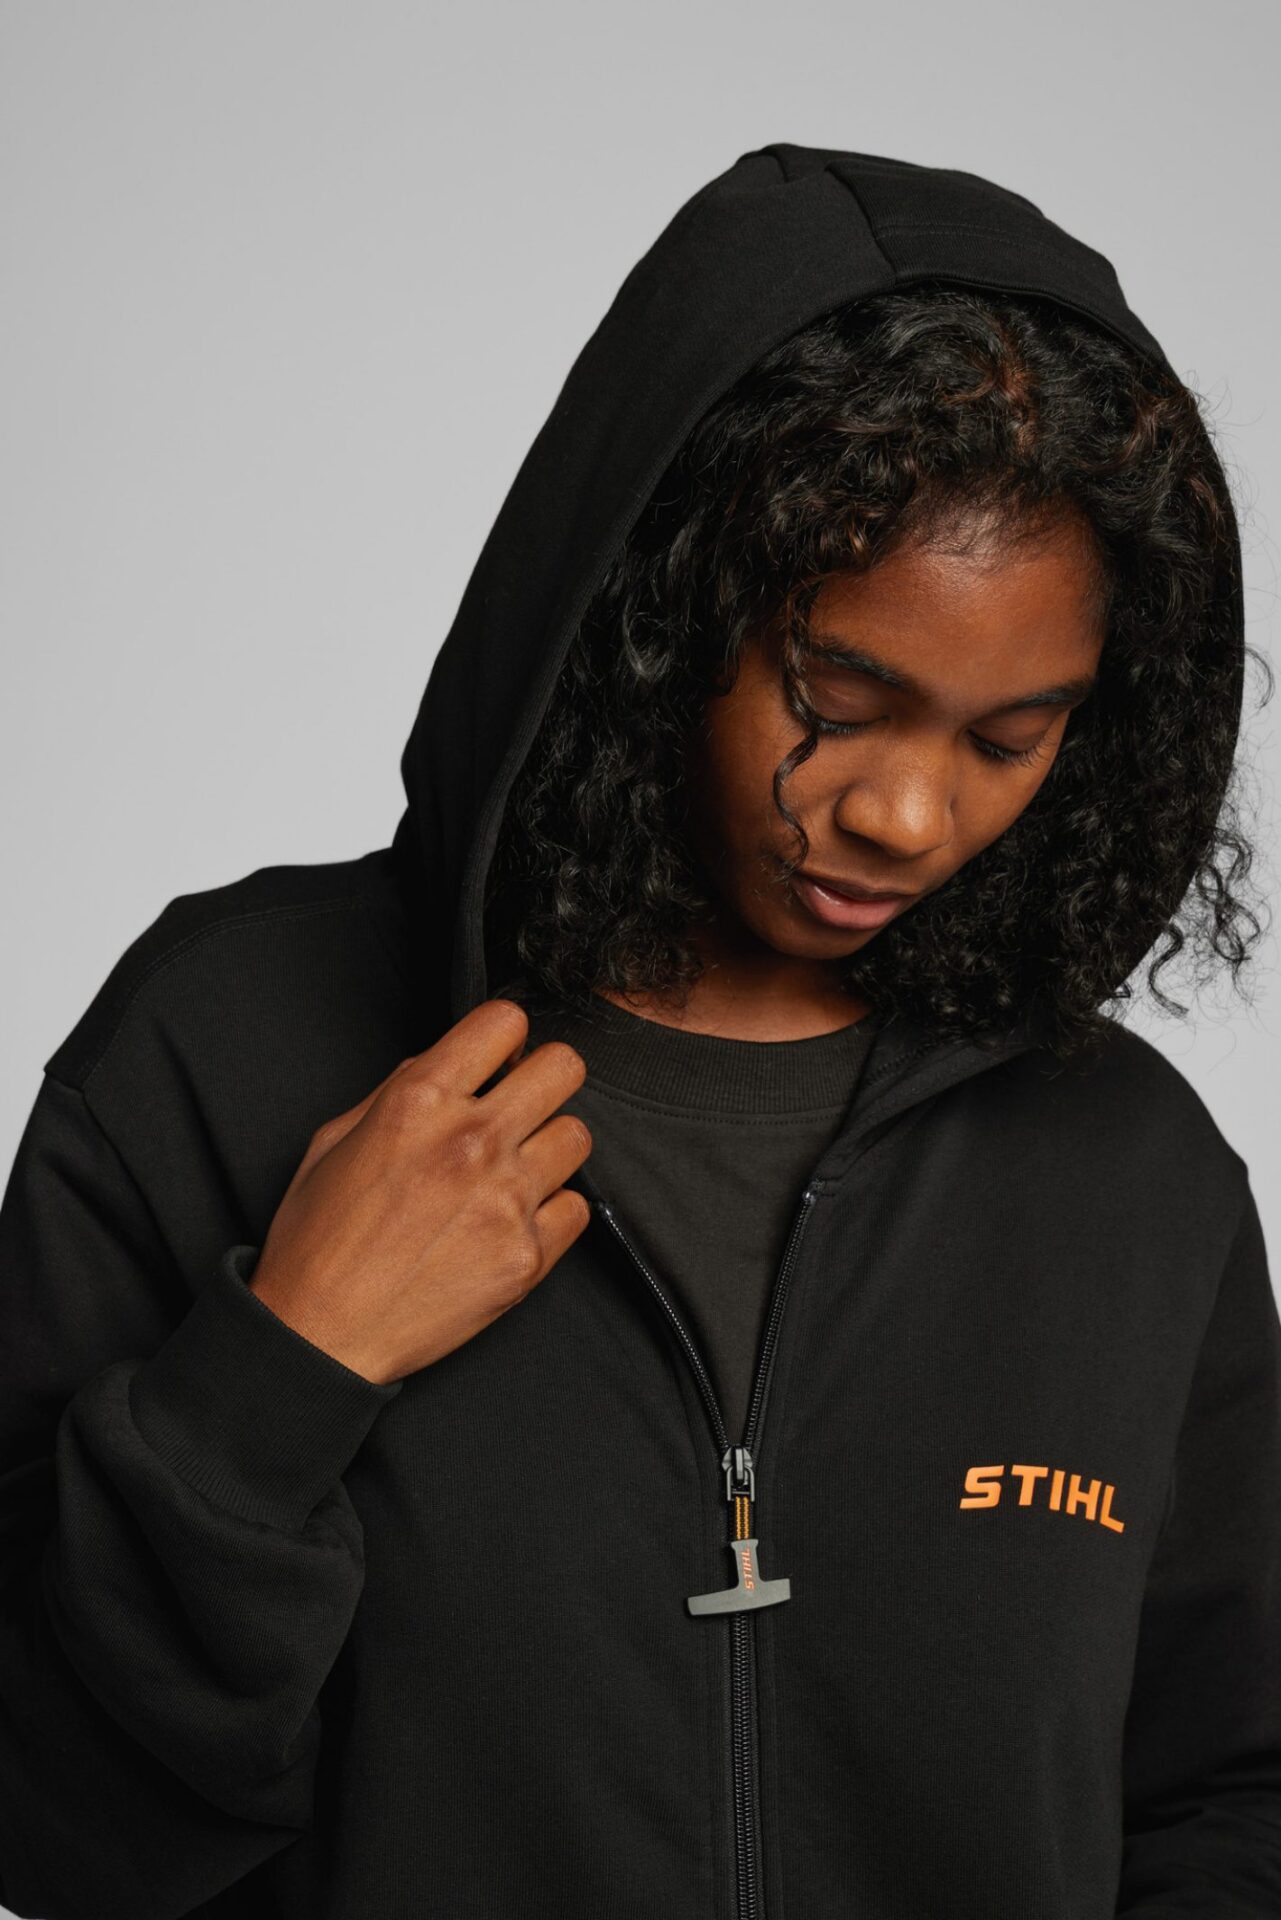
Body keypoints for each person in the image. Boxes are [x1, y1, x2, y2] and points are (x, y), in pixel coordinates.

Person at [0, 140, 1276, 1920]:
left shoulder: (1124, 1171)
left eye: (1010, 737)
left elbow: (1234, 1791)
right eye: (838, 696)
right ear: (660, 608)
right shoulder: (228, 1047)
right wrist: (284, 1368)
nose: (908, 814)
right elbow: (51, 1827)